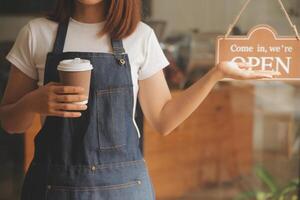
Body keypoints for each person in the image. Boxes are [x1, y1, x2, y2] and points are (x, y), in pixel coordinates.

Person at [0, 0, 273, 199]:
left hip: (125, 187)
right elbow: (11, 123)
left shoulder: (140, 36)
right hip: (53, 187)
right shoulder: (36, 33)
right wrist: (33, 103)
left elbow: (164, 120)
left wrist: (217, 73)